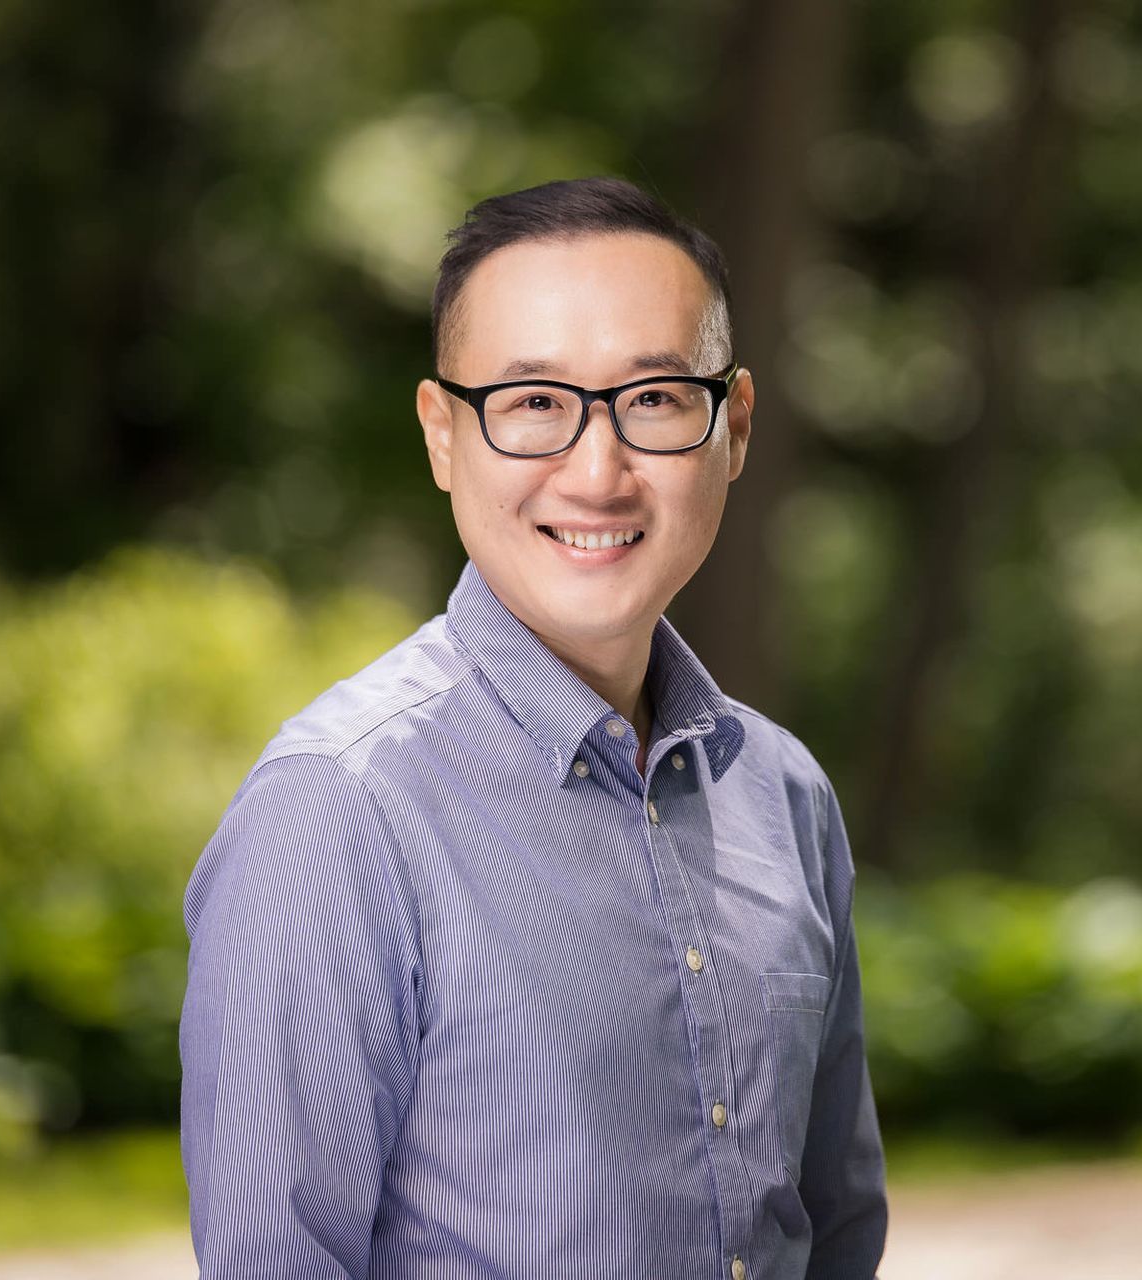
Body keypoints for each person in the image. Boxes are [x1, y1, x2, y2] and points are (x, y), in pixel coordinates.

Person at [178, 177, 889, 1279]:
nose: (597, 471)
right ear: (443, 435)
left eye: (653, 398)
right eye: (534, 403)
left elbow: (836, 1232)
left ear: (733, 426)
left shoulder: (785, 794)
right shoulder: (338, 813)